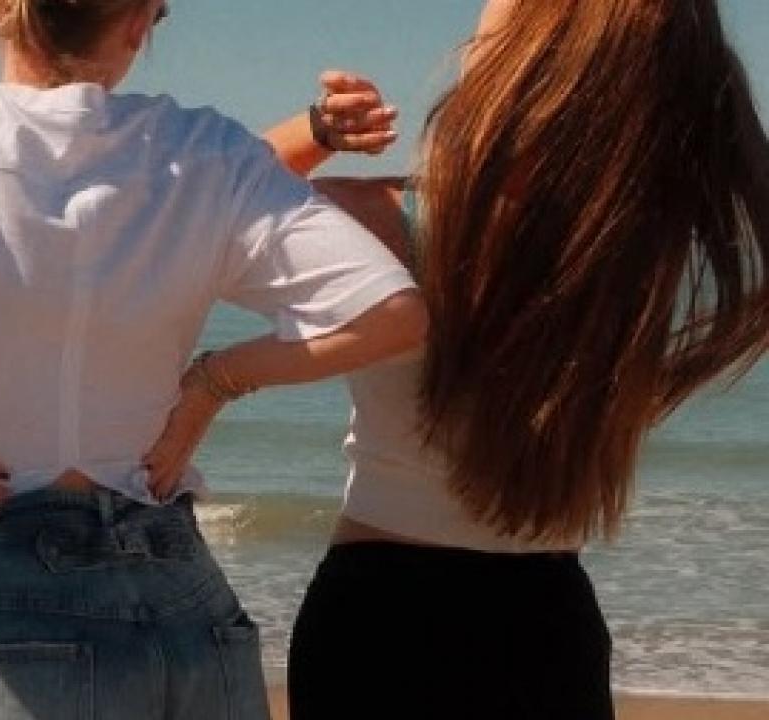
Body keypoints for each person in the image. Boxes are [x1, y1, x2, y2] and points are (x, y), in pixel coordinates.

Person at [0, 0, 428, 717]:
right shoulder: (205, 148)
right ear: (138, 24)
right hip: (185, 607)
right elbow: (390, 314)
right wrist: (218, 381)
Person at [157, 0, 769, 717]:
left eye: (479, 47)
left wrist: (317, 131)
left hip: (378, 622)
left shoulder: (373, 218)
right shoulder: (632, 255)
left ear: (516, 77)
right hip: (550, 630)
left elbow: (199, 204)